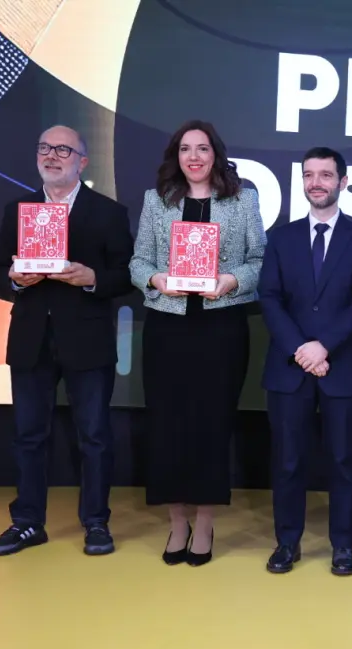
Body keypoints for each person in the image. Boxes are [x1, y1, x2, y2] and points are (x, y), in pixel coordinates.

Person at [0, 125, 134, 557]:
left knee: (95, 437)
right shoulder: (18, 209)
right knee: (28, 436)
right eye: (45, 148)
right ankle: (28, 522)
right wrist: (15, 279)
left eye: (63, 150)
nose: (51, 156)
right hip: (30, 339)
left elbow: (126, 275)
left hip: (87, 339)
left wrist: (91, 278)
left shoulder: (108, 213)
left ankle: (96, 523)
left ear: (82, 161)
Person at [128, 119, 266, 566]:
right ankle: (177, 522)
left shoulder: (243, 200)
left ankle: (204, 522)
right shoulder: (156, 200)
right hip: (167, 328)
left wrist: (230, 281)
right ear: (176, 156)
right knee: (167, 425)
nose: (194, 157)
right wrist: (156, 279)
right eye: (185, 149)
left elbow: (259, 260)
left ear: (215, 154)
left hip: (221, 327)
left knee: (212, 424)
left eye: (202, 148)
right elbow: (138, 261)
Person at [258, 147, 352, 576]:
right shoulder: (281, 238)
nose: (316, 182)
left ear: (342, 182)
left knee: (344, 462)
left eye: (326, 175)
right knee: (288, 461)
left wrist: (323, 347)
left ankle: (343, 546)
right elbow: (269, 298)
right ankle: (286, 543)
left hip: (343, 367)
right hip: (289, 367)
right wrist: (302, 349)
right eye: (309, 175)